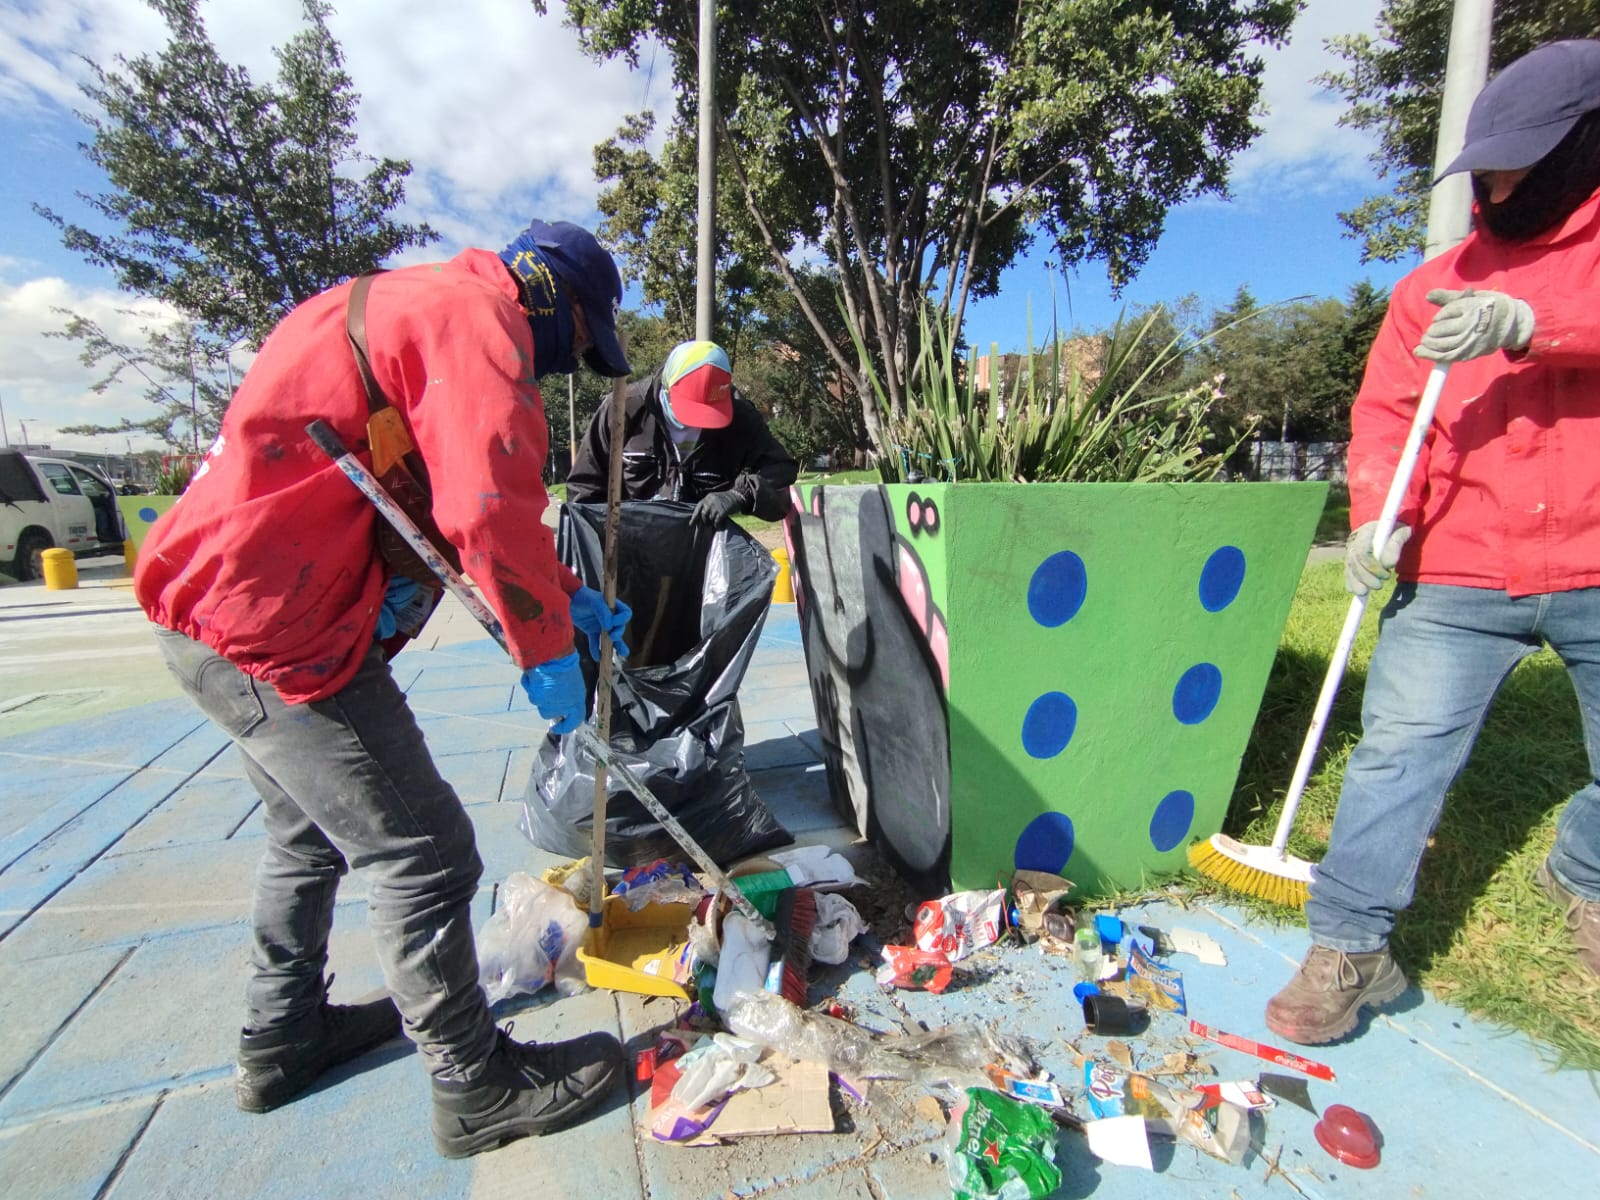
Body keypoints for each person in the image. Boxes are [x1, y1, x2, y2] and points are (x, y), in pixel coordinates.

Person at [134, 218, 635, 1158]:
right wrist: (546, 652)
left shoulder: (398, 306)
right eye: (574, 345)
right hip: (276, 633)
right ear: (551, 296)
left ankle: (281, 1036)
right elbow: (487, 506)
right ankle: (472, 1082)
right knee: (427, 851)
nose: (560, 369)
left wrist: (568, 603)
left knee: (308, 831)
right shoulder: (475, 320)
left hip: (213, 604)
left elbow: (442, 498)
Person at [1265, 40, 1600, 1046]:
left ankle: (1581, 872)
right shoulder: (1431, 289)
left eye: (1517, 159)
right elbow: (1383, 414)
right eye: (1485, 162)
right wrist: (1372, 511)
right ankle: (1351, 947)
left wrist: (1527, 320)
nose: (1494, 183)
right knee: (1395, 757)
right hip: (1459, 564)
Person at [565, 339, 797, 524]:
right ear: (666, 389)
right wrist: (606, 537)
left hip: (699, 554)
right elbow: (584, 490)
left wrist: (741, 493)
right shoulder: (623, 409)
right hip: (630, 551)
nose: (699, 422)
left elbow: (781, 470)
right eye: (693, 409)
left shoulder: (741, 419)